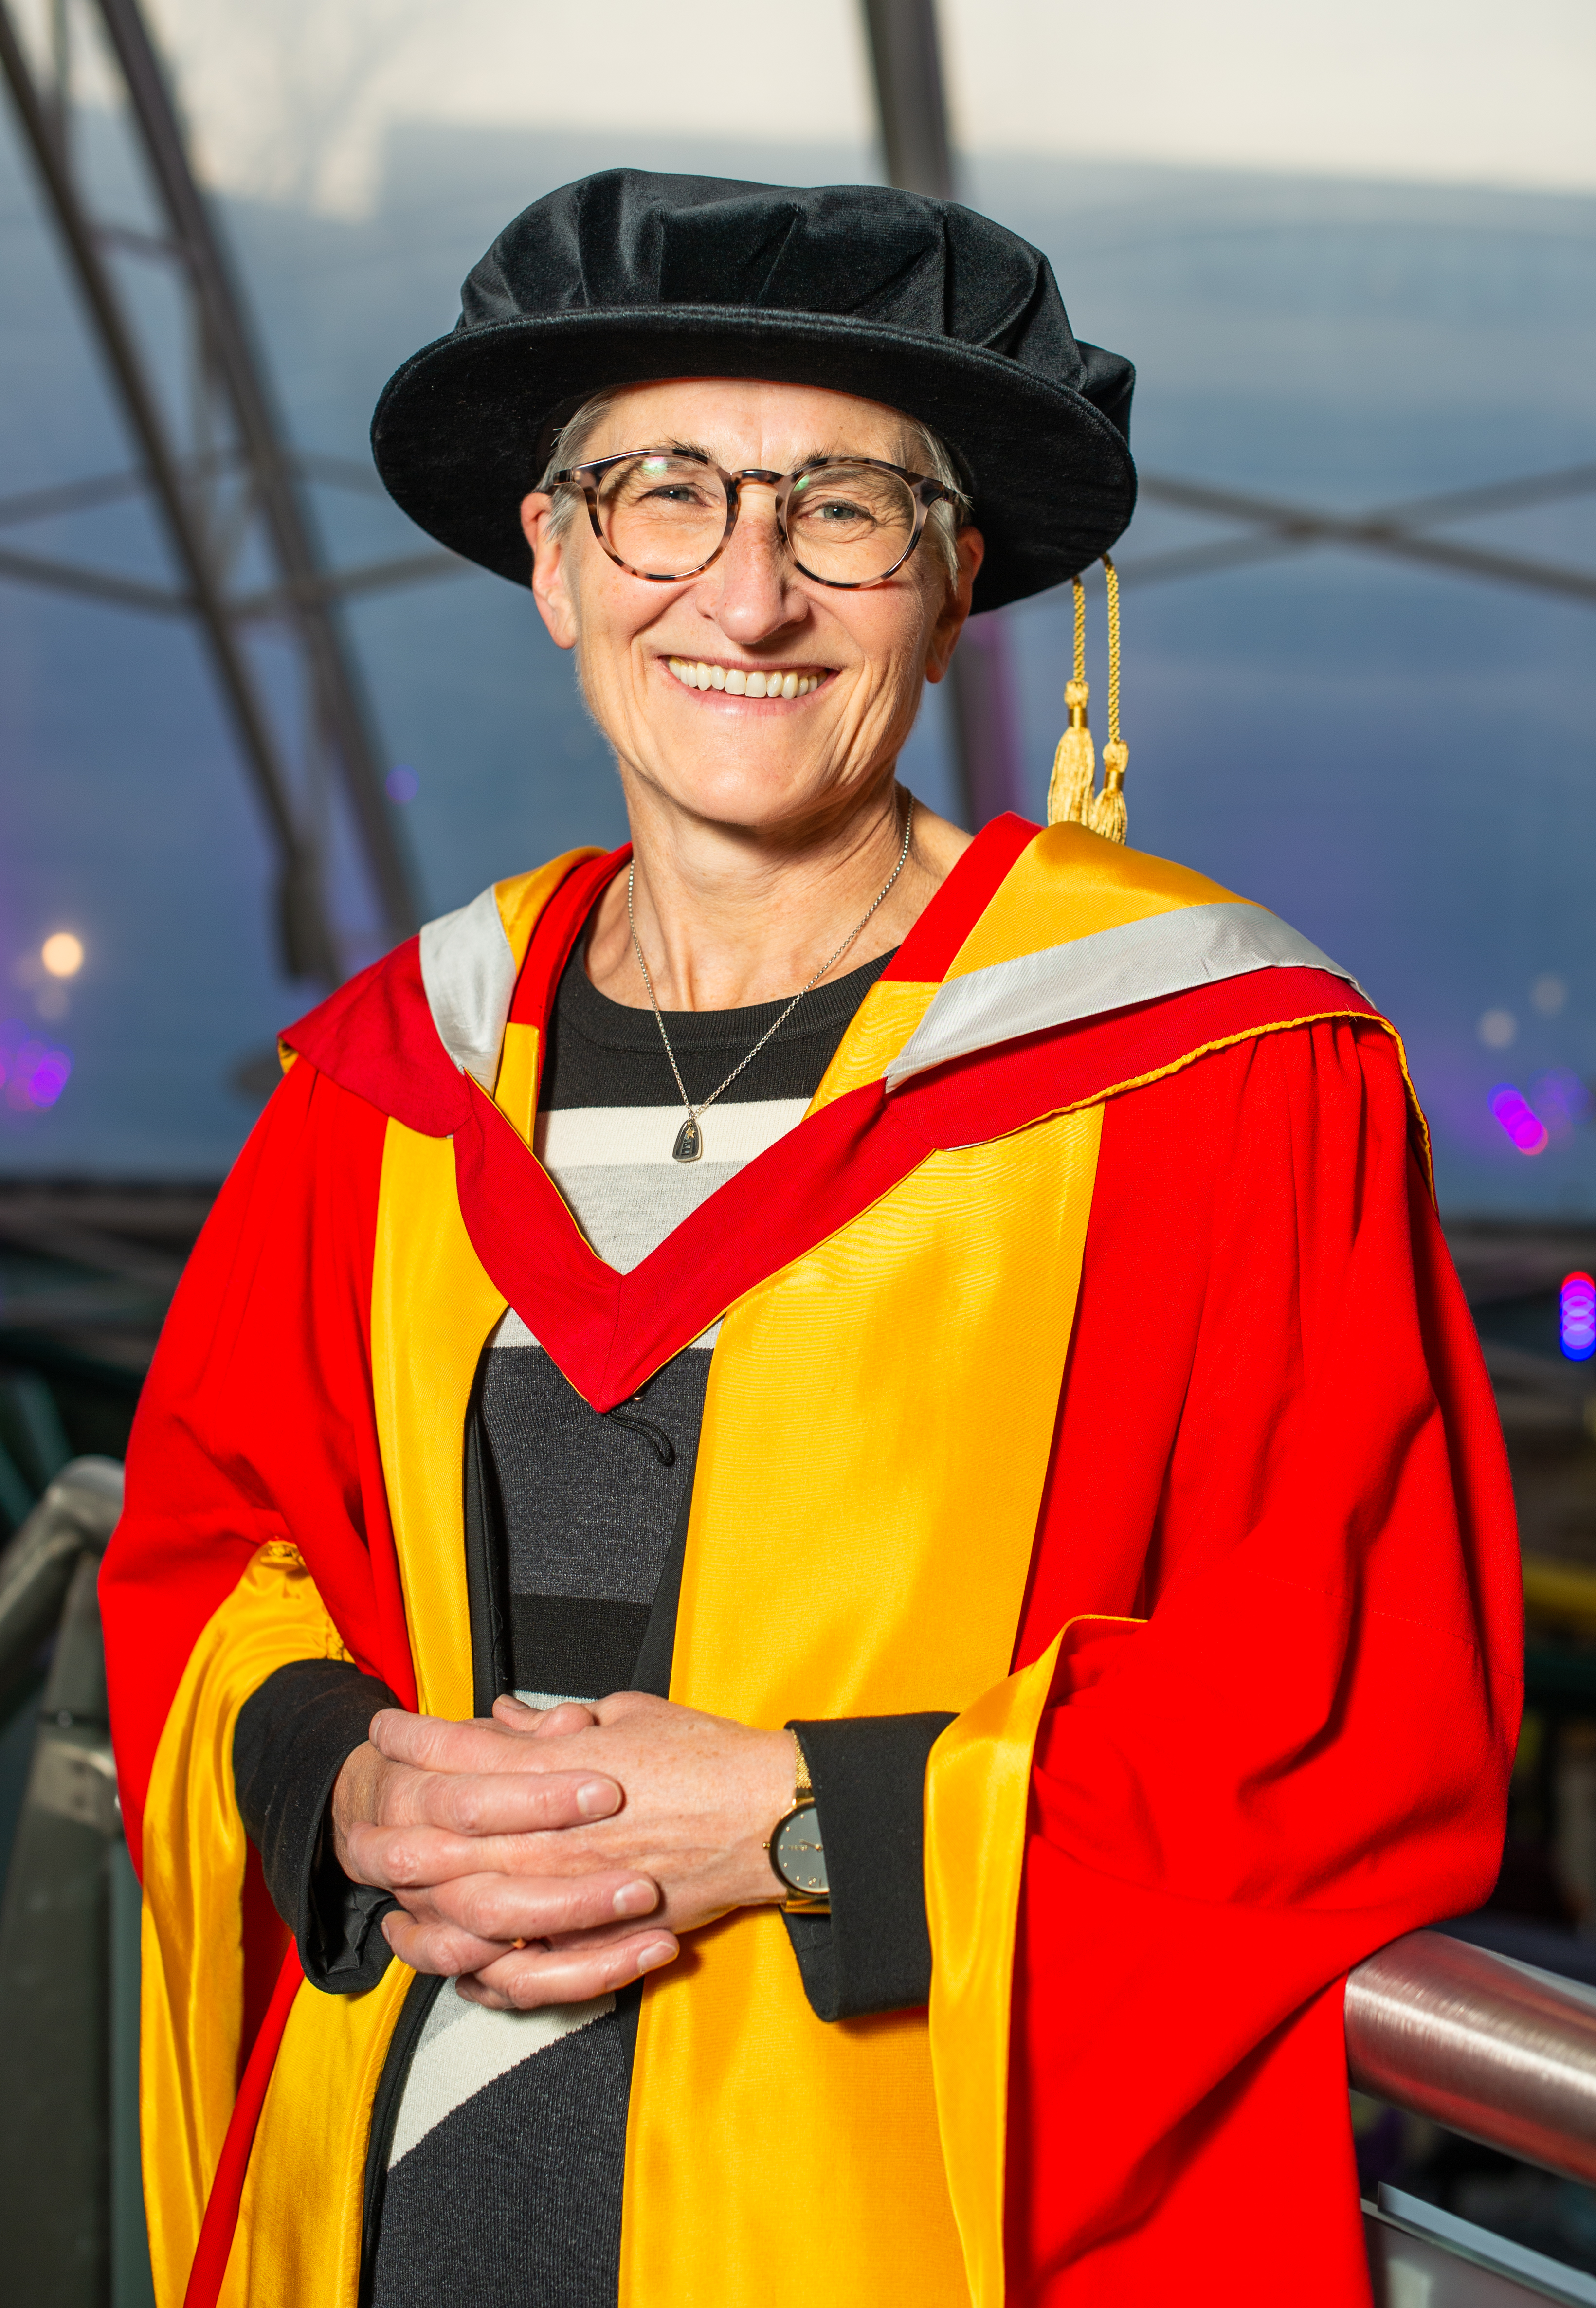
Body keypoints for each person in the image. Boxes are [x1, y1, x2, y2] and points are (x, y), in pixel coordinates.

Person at [101, 170, 1522, 2308]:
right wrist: (337, 1773)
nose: (745, 598)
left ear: (953, 586)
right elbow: (208, 1553)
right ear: (553, 560)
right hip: (401, 2203)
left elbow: (1345, 1702)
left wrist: (796, 1816)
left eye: (842, 511)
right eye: (663, 495)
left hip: (896, 2209)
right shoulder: (387, 1082)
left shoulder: (1212, 1075)